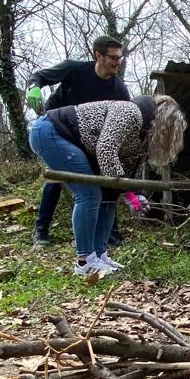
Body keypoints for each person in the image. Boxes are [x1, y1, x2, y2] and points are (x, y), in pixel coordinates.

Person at [28, 95, 186, 277]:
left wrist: (137, 193)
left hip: (72, 141)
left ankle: (99, 256)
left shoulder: (144, 136)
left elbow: (128, 170)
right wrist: (128, 194)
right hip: (51, 132)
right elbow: (106, 149)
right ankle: (85, 261)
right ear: (163, 122)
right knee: (90, 194)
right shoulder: (130, 112)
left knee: (109, 197)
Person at [26, 36, 131, 246]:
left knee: (102, 177)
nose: (117, 62)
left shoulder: (119, 90)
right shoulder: (74, 69)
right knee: (59, 177)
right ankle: (40, 230)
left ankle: (110, 232)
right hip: (56, 129)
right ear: (97, 56)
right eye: (113, 58)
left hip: (87, 136)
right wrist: (34, 88)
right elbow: (38, 76)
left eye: (120, 58)